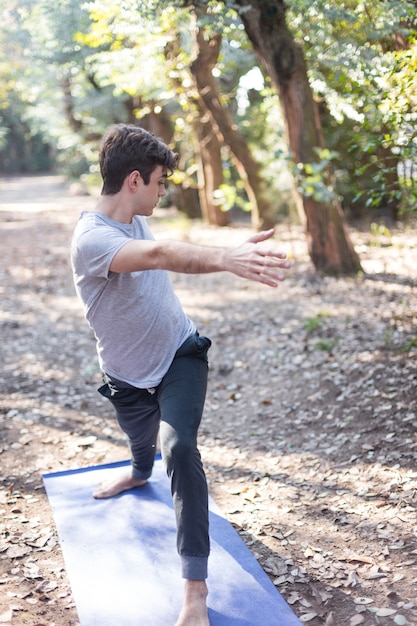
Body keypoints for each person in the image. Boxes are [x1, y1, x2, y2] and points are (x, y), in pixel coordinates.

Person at [70, 123, 290, 626]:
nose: (163, 189)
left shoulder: (135, 216)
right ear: (133, 181)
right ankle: (139, 471)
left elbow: (167, 247)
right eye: (159, 181)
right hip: (126, 375)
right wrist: (225, 260)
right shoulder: (92, 240)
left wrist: (228, 251)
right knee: (141, 444)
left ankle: (194, 590)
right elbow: (161, 254)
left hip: (179, 354)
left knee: (180, 447)